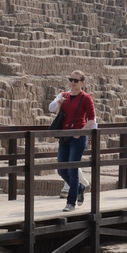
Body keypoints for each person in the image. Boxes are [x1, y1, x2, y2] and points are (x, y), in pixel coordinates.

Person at [48, 70, 96, 212]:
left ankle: (71, 202)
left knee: (72, 170)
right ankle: (80, 188)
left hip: (77, 138)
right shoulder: (64, 96)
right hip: (64, 137)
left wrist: (80, 133)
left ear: (82, 83)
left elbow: (92, 120)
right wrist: (60, 104)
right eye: (71, 79)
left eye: (76, 80)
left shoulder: (86, 98)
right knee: (61, 169)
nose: (73, 82)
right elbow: (58, 115)